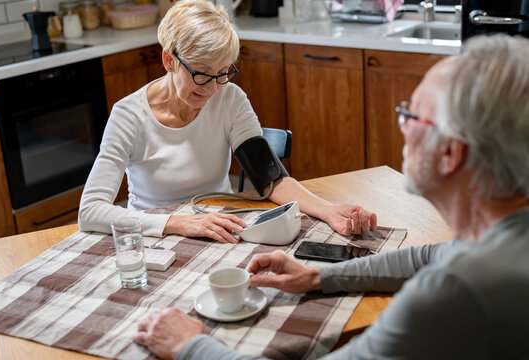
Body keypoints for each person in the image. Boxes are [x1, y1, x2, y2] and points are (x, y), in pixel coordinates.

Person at [132, 34, 529, 359]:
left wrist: (191, 345)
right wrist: (317, 276)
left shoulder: (453, 293)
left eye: (410, 116)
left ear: (450, 154)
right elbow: (431, 255)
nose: (402, 128)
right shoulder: (501, 239)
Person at [78, 0, 377, 242]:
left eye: (222, 73)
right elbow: (91, 211)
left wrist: (330, 210)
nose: (211, 88)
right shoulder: (128, 115)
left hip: (218, 225)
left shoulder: (230, 98)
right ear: (169, 60)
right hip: (154, 234)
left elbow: (270, 180)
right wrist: (179, 223)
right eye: (201, 73)